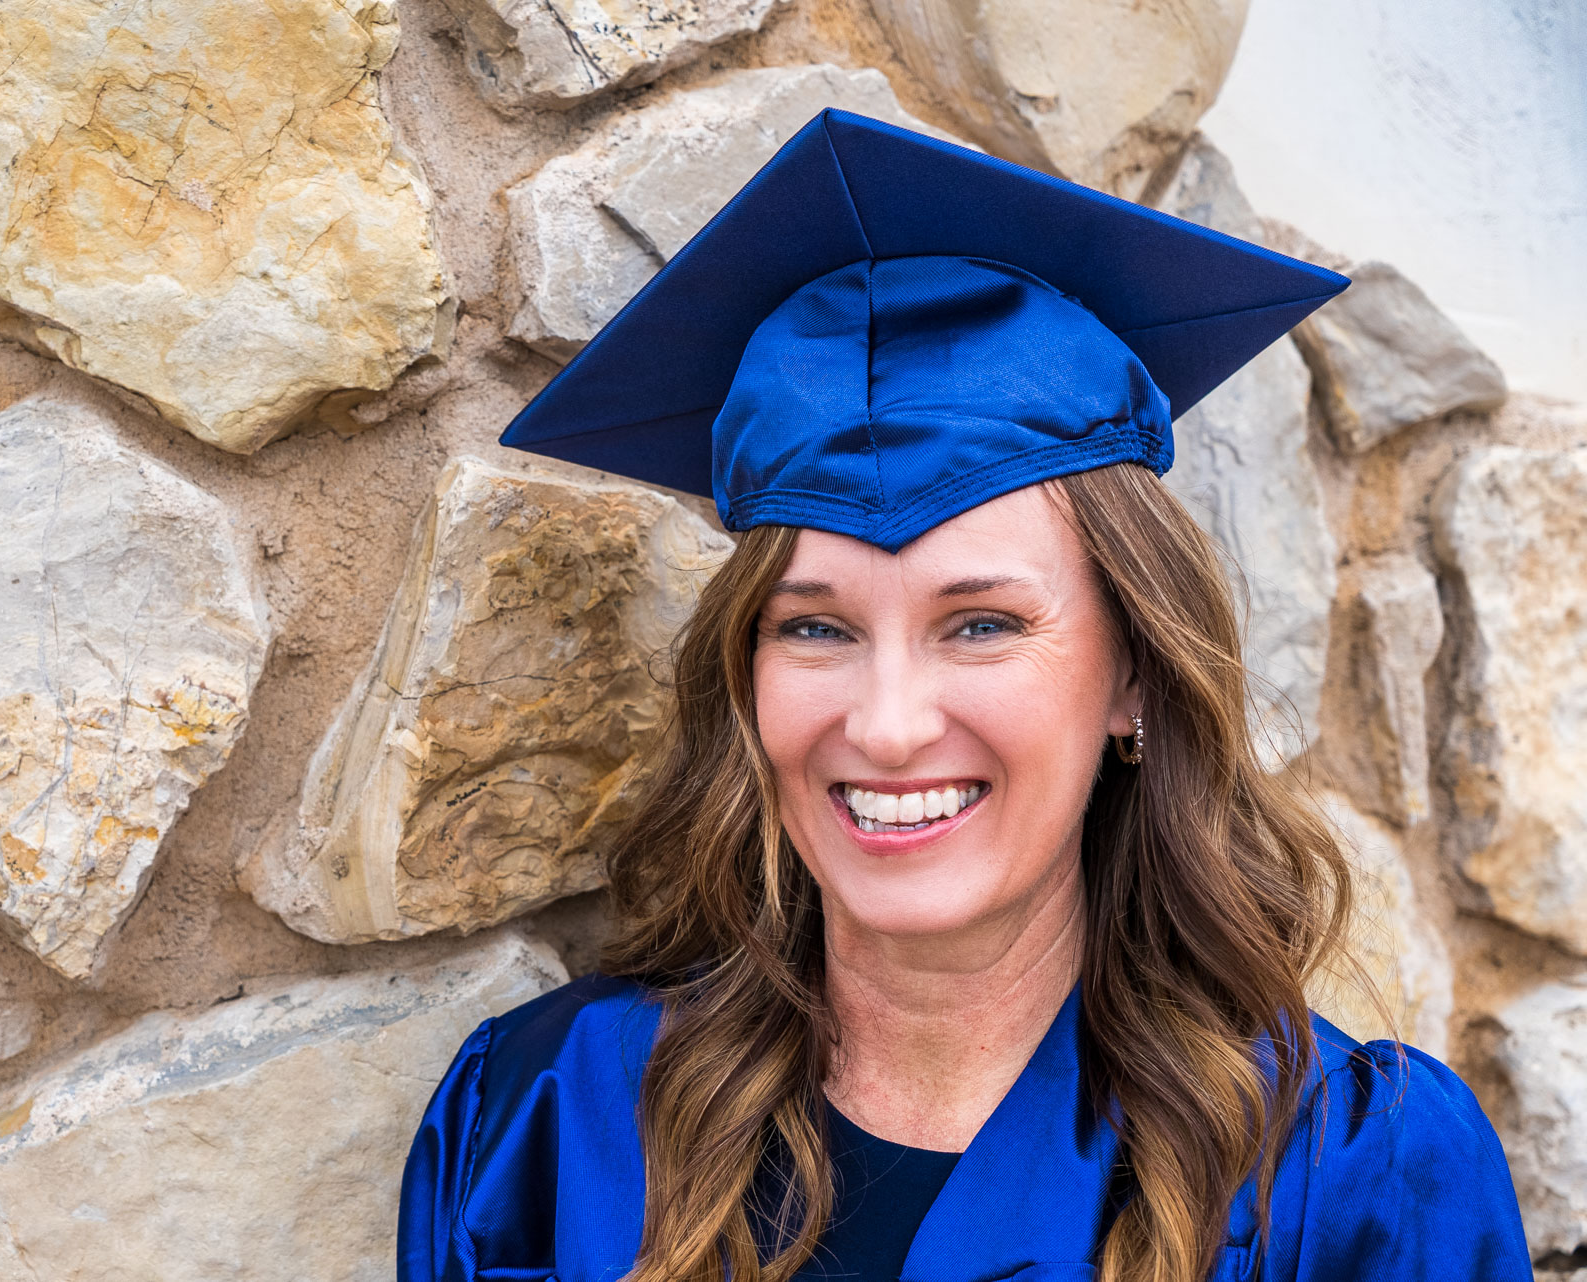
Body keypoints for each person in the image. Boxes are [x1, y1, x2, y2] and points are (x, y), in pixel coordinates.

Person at [398, 110, 1532, 1282]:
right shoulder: (541, 1126)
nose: (887, 726)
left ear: (1133, 675)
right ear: (746, 675)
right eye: (816, 626)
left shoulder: (1349, 1180)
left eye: (982, 624)